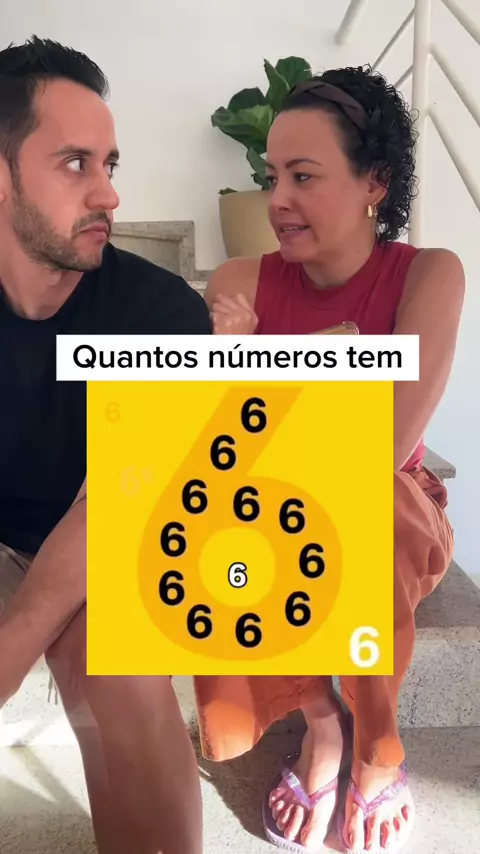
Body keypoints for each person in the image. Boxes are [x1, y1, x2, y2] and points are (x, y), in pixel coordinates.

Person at [200, 66, 465, 853]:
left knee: (361, 500)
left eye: (304, 176)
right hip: (267, 498)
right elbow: (214, 448)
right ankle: (322, 721)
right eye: (272, 176)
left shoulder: (429, 274)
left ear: (374, 181)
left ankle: (377, 750)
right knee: (215, 508)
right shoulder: (238, 282)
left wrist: (255, 373)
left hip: (392, 503)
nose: (277, 199)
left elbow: (383, 443)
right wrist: (222, 368)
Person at [0, 36, 211, 854]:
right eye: (75, 164)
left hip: (107, 541)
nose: (110, 194)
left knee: (123, 676)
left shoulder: (162, 313)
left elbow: (121, 504)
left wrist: (15, 644)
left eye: (110, 164)